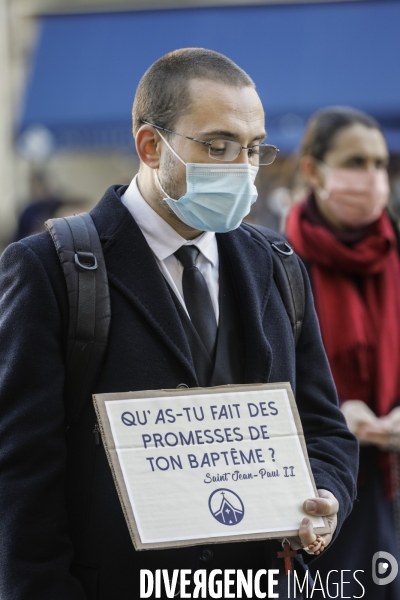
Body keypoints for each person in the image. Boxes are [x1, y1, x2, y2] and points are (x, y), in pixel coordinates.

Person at [0, 49, 357, 600]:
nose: (241, 166)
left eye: (254, 149)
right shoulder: (48, 269)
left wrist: (328, 494)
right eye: (218, 146)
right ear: (150, 145)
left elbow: (325, 428)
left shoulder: (278, 265)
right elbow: (22, 477)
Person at [286, 106, 400, 598]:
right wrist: (332, 417)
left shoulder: (394, 251)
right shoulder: (275, 259)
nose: (372, 178)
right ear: (313, 169)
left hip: (387, 478)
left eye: (380, 164)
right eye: (356, 162)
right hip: (313, 487)